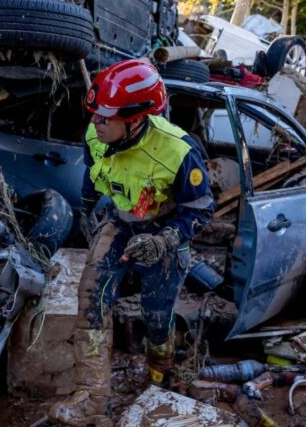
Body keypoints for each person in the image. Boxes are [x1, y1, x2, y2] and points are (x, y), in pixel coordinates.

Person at [48, 60, 214, 426]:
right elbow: (94, 175)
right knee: (91, 298)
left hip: (165, 232)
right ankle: (91, 399)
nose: (95, 123)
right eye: (93, 114)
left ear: (136, 119)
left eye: (105, 117)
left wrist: (165, 241)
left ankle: (160, 373)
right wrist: (87, 209)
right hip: (120, 223)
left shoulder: (178, 151)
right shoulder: (97, 135)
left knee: (157, 316)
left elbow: (201, 208)